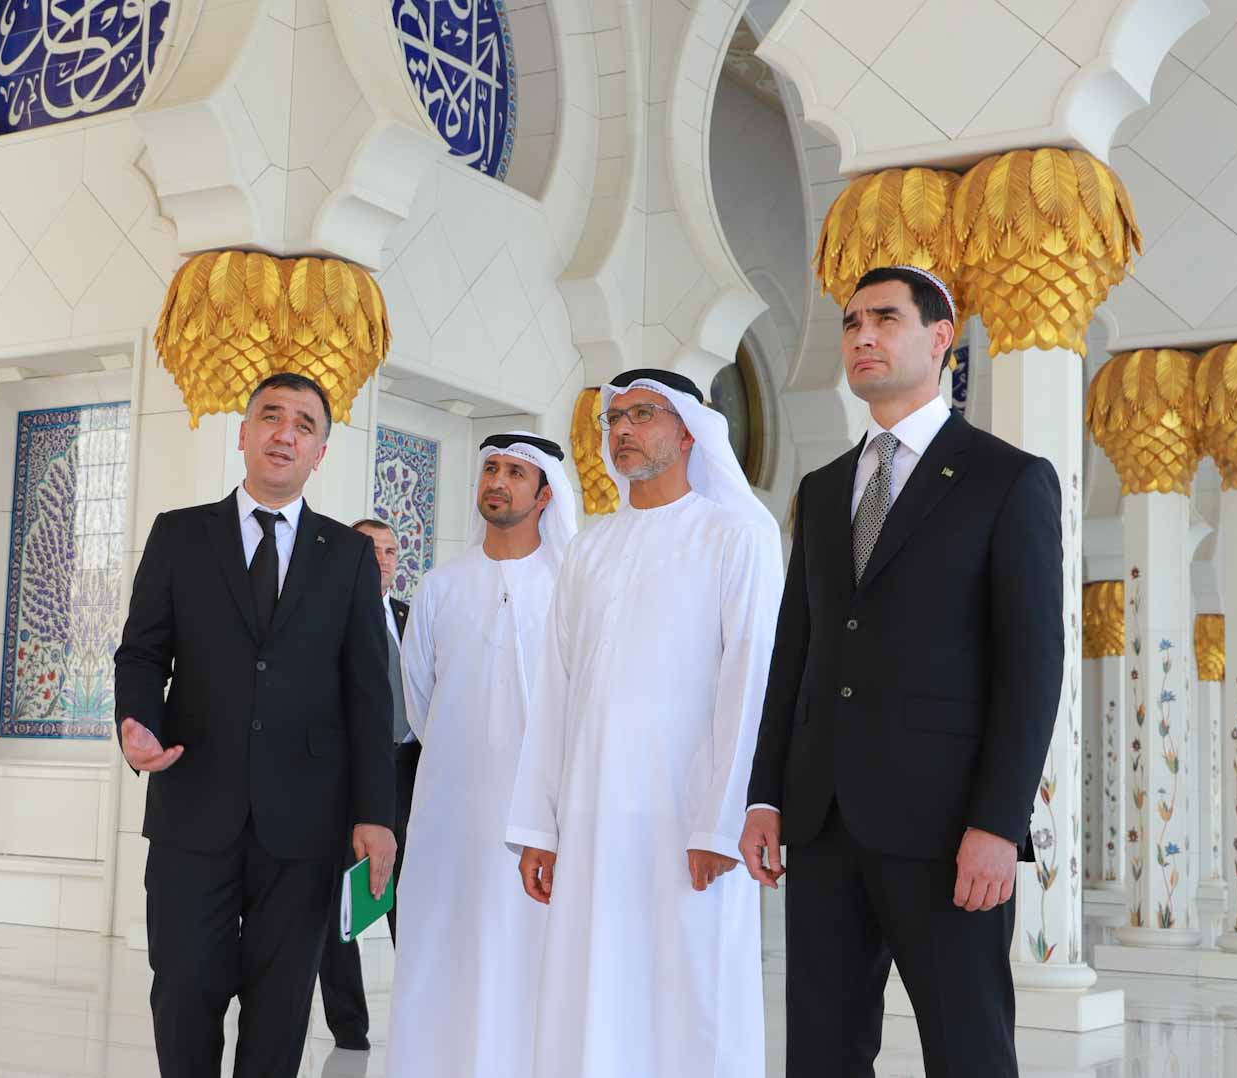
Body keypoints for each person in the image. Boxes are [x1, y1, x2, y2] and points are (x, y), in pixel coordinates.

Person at [739, 265, 1063, 1077]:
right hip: (822, 821)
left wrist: (997, 823)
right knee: (822, 1049)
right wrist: (767, 794)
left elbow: (1032, 668)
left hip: (947, 827)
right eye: (850, 324)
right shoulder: (819, 492)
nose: (863, 337)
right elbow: (797, 655)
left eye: (884, 318)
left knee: (968, 1047)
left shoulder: (1007, 479)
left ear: (940, 340)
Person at [114, 371, 397, 1078]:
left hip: (304, 821)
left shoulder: (349, 557)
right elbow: (143, 651)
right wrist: (136, 721)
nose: (286, 433)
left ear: (320, 454)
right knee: (182, 986)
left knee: (280, 1006)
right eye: (271, 417)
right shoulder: (180, 535)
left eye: (304, 424)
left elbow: (368, 696)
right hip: (192, 802)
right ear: (243, 435)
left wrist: (374, 814)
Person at [506, 370, 782, 1078]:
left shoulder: (738, 536)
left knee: (692, 995)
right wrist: (541, 826)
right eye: (614, 419)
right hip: (593, 821)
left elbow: (750, 685)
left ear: (689, 430)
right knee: (592, 989)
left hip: (688, 823)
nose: (622, 430)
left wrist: (722, 823)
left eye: (642, 415)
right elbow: (557, 691)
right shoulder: (591, 548)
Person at [389, 431, 575, 1077]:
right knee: (444, 950)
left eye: (516, 473)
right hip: (449, 813)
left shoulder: (571, 588)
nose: (497, 481)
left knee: (531, 955)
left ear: (545, 493)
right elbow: (417, 701)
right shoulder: (441, 586)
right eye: (490, 469)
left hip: (543, 819)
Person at [316, 517, 409, 1051]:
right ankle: (350, 1027)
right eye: (371, 549)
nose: (382, 560)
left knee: (407, 897)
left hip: (406, 773)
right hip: (343, 778)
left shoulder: (410, 615)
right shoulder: (327, 613)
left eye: (391, 551)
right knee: (340, 904)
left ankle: (417, 1007)